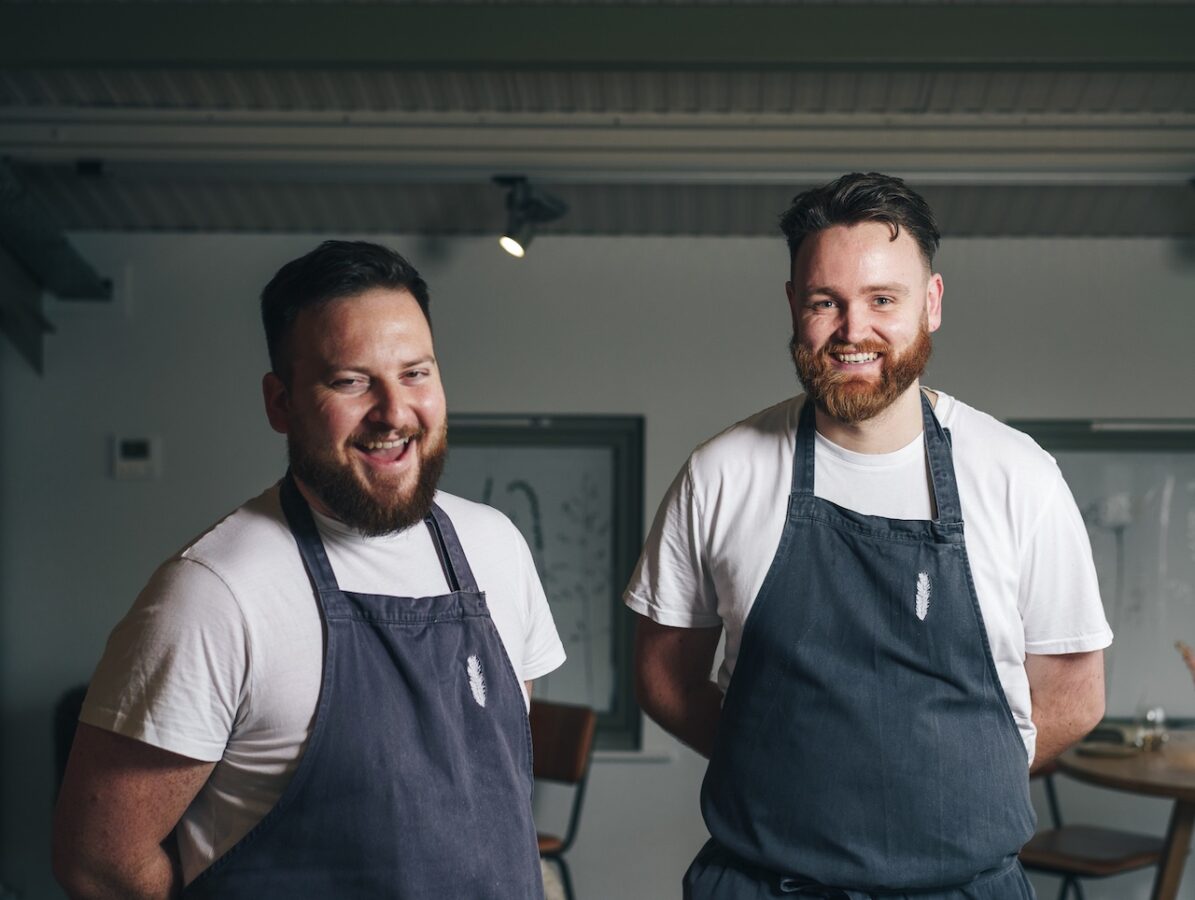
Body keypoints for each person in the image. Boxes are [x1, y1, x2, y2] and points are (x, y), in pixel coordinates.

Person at [626, 173, 1111, 899]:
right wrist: (778, 767)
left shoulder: (1016, 476)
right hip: (764, 883)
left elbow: (1074, 694)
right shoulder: (721, 473)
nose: (854, 330)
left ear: (932, 304)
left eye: (883, 299)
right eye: (826, 302)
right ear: (794, 306)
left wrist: (952, 779)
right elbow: (663, 675)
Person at [53, 240, 565, 899]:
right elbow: (100, 862)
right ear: (281, 403)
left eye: (415, 373)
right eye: (350, 381)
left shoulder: (496, 548)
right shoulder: (213, 594)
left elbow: (488, 797)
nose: (393, 412)